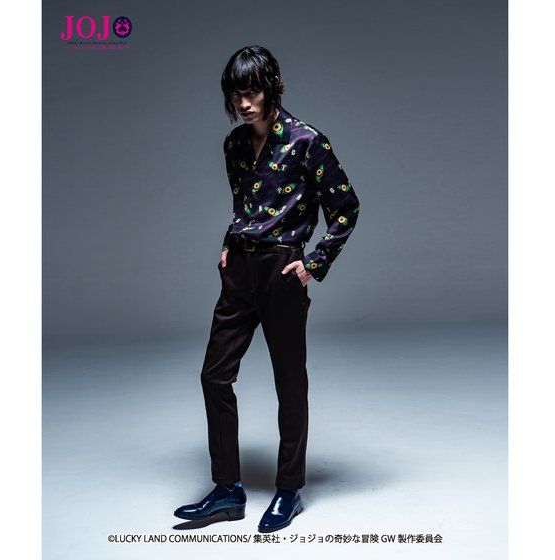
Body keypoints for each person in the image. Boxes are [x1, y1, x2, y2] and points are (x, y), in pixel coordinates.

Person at [174, 45, 361, 533]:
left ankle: (289, 489)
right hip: (239, 270)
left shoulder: (307, 141)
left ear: (272, 87)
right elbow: (245, 204)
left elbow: (346, 208)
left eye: (252, 92)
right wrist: (227, 243)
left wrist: (313, 262)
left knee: (289, 382)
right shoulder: (234, 144)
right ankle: (227, 489)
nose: (244, 103)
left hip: (282, 271)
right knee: (214, 376)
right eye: (236, 94)